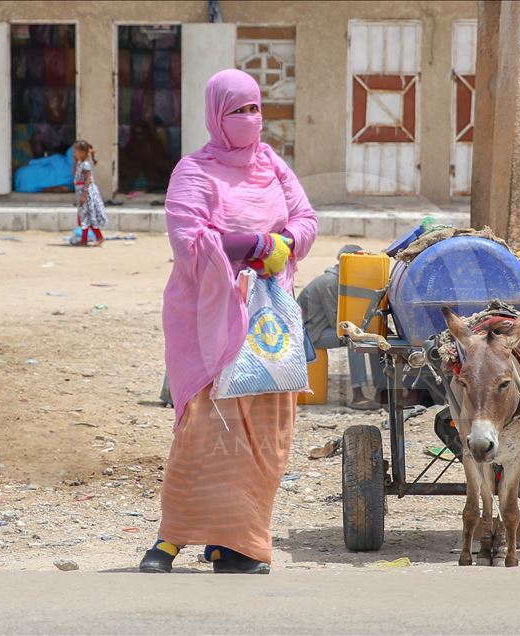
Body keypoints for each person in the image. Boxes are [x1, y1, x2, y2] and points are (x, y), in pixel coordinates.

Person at [139, 69, 317, 575]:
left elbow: (306, 219)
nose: (250, 119)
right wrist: (251, 245)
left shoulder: (272, 165)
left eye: (256, 108)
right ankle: (170, 539)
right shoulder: (194, 171)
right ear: (216, 114)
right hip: (209, 314)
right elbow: (189, 241)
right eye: (238, 110)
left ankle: (237, 544)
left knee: (265, 429)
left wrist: (284, 245)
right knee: (205, 426)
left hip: (267, 315)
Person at [297, 245, 386, 409]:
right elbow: (336, 322)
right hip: (309, 336)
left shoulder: (339, 280)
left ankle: (381, 391)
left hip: (319, 330)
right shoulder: (330, 283)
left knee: (371, 337)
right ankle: (358, 395)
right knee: (353, 338)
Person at [72, 140, 108, 246]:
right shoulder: (80, 164)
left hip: (87, 193)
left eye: (76, 151)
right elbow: (74, 175)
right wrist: (75, 162)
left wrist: (85, 194)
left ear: (83, 152)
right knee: (84, 217)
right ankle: (84, 239)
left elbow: (88, 179)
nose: (74, 154)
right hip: (81, 192)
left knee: (89, 216)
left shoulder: (86, 164)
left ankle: (99, 237)